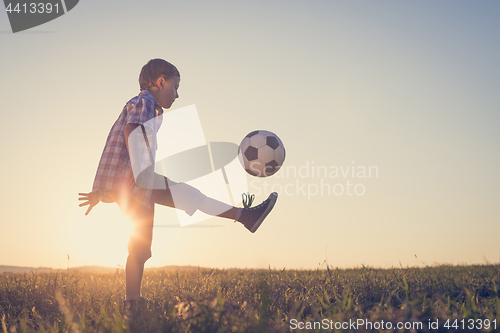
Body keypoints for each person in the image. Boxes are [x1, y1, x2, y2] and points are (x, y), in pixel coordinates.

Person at [78, 58, 277, 311]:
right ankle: (131, 303)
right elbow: (131, 130)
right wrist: (141, 173)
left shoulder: (147, 105)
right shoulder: (144, 102)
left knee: (159, 228)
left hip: (134, 182)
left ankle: (245, 216)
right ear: (161, 82)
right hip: (137, 181)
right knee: (152, 234)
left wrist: (101, 191)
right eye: (175, 87)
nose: (177, 94)